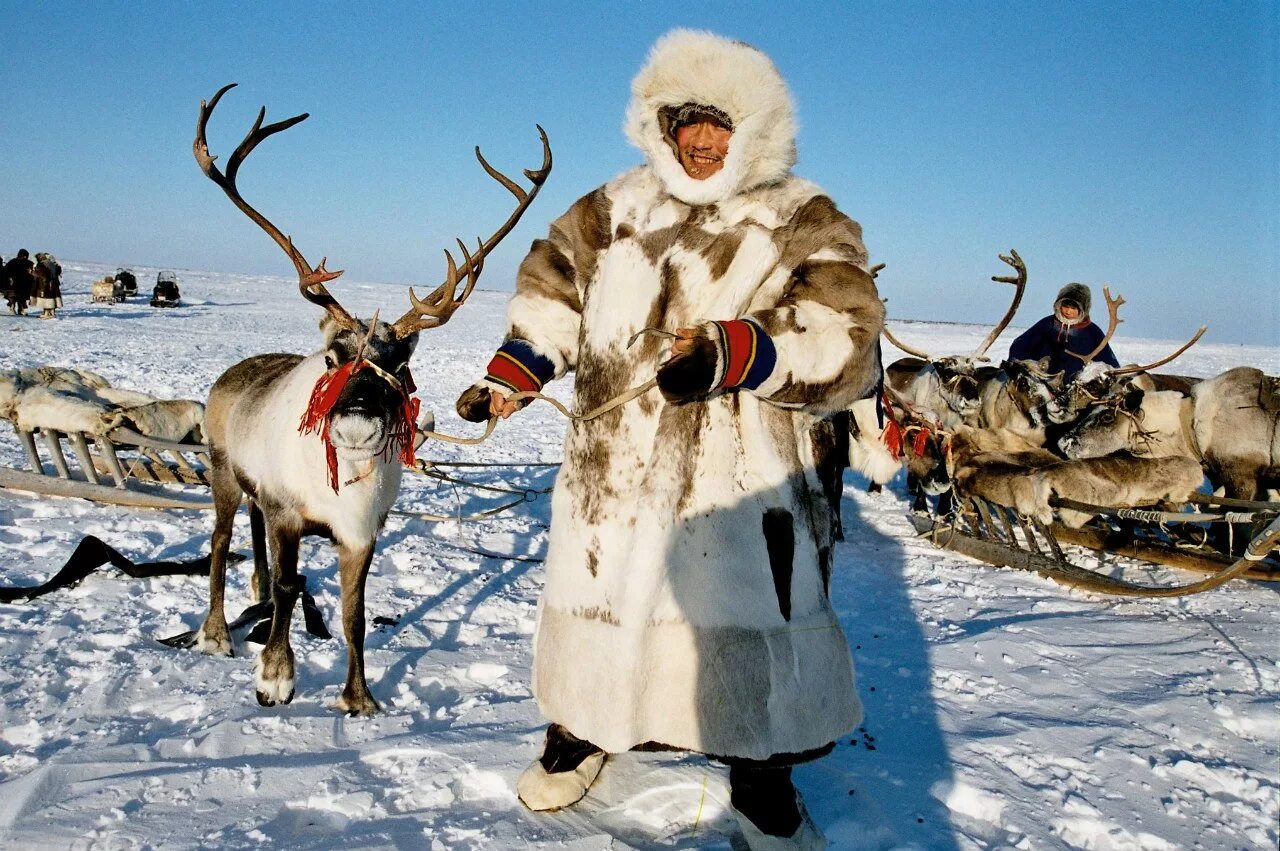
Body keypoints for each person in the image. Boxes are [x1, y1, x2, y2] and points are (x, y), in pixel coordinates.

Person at [454, 30, 883, 849]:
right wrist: (518, 369)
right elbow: (553, 289)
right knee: (603, 605)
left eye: (718, 123)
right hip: (609, 477)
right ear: (659, 124)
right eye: (683, 120)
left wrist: (737, 352)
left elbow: (848, 338)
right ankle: (580, 731)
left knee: (741, 635)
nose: (699, 139)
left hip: (739, 482)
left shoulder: (803, 217)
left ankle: (762, 781)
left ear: (752, 130)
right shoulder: (611, 209)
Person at [1008, 283, 1119, 378]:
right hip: (1041, 383)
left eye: (1074, 308)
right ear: (1059, 304)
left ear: (1083, 309)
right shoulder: (1047, 324)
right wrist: (1016, 363)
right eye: (1065, 306)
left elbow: (1108, 361)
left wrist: (1117, 375)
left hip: (1075, 389)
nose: (1068, 312)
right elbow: (1020, 345)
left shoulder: (1092, 331)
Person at [31, 252, 63, 319]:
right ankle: (50, 312)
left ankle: (47, 314)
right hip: (53, 285)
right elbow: (58, 271)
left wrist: (32, 272)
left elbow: (41, 274)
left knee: (46, 300)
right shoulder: (52, 264)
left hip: (44, 285)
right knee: (51, 299)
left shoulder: (41, 265)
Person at [4, 249, 34, 316]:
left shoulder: (28, 263)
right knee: (17, 297)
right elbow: (6, 271)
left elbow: (33, 272)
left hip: (19, 284)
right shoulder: (14, 262)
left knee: (18, 298)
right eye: (25, 256)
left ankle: (17, 309)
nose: (25, 257)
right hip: (18, 284)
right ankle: (16, 309)